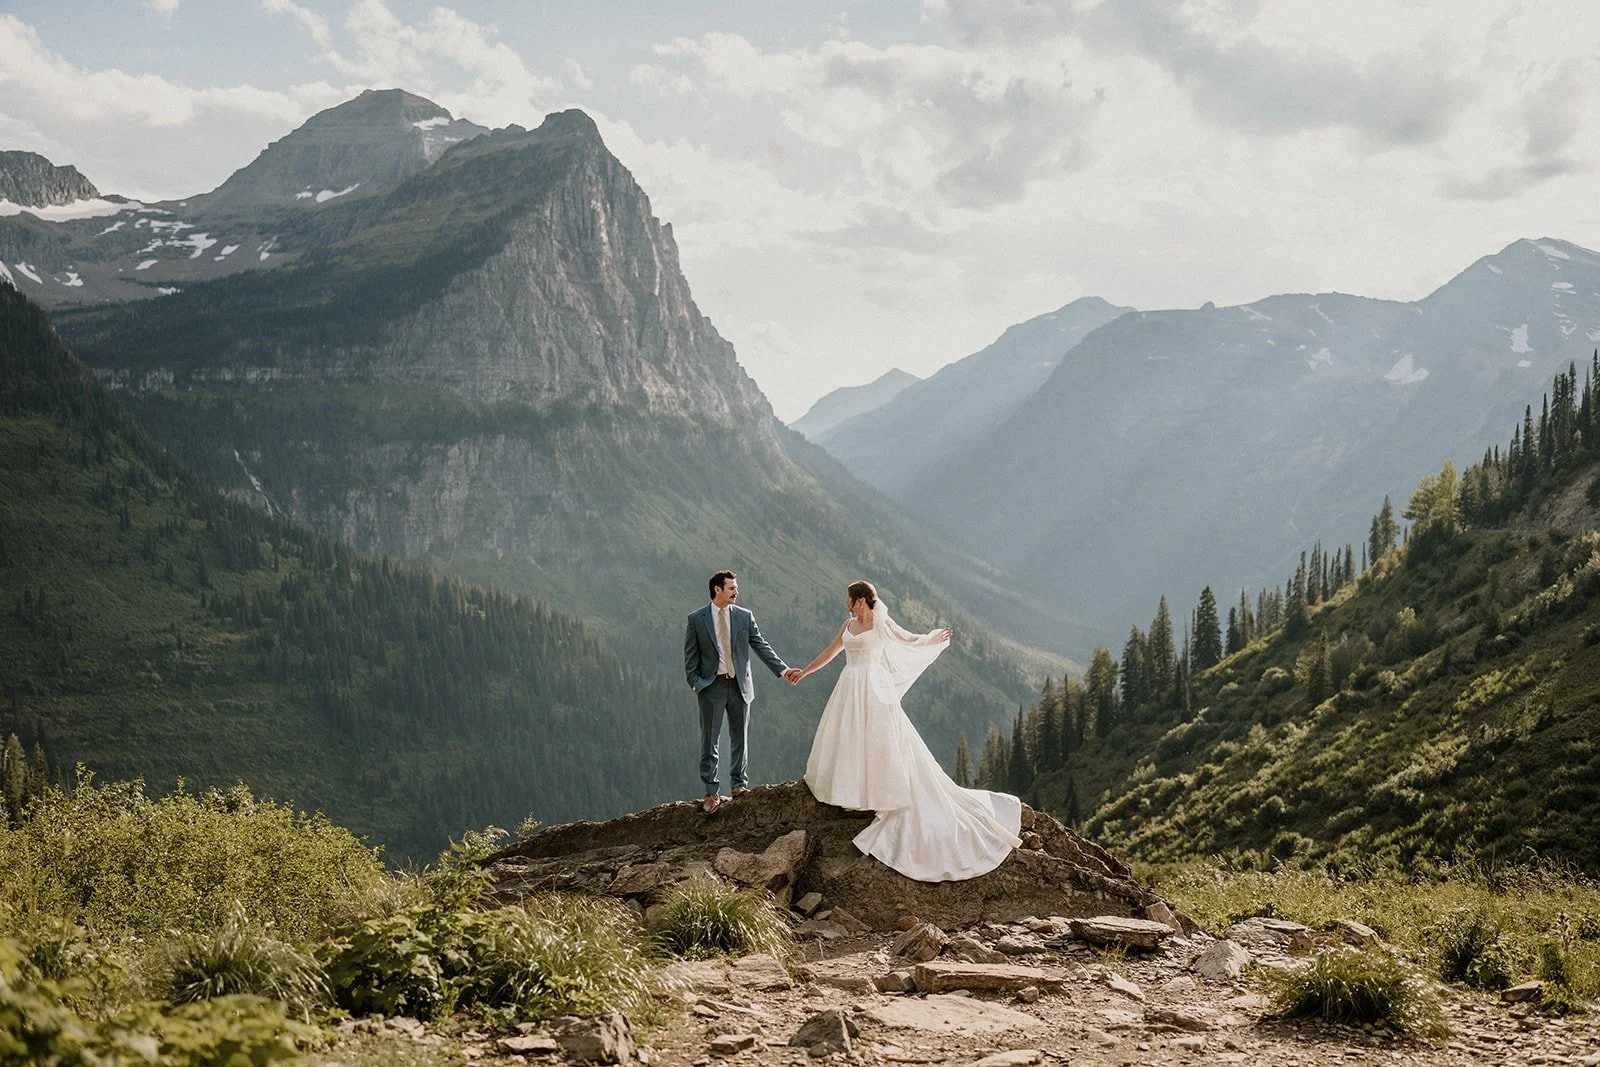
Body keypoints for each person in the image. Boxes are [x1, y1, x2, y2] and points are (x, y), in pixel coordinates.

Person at [789, 580, 1021, 881]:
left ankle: (878, 794)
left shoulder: (882, 624)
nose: (846, 603)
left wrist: (934, 638)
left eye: (849, 598)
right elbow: (830, 652)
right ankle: (853, 793)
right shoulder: (848, 624)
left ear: (860, 600)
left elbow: (910, 640)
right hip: (849, 686)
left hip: (874, 688)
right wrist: (804, 671)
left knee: (879, 743)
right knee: (849, 740)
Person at [684, 570, 800, 814]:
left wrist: (784, 670)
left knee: (740, 738)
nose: (737, 592)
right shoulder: (697, 619)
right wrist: (696, 683)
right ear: (717, 589)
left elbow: (760, 645)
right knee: (710, 741)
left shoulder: (744, 617)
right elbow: (690, 656)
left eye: (736, 588)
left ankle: (739, 786)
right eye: (732, 588)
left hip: (739, 685)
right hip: (711, 687)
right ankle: (711, 792)